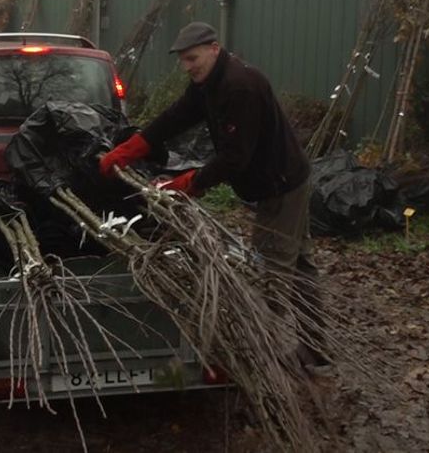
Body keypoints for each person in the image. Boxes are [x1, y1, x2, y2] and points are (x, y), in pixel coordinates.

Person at [100, 21, 328, 367]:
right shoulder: (207, 84)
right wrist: (131, 148)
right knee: (299, 265)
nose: (187, 66)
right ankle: (316, 351)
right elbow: (175, 117)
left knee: (271, 273)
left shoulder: (239, 87)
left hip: (280, 186)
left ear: (214, 49)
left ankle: (255, 356)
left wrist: (191, 184)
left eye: (192, 58)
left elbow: (236, 157)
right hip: (276, 180)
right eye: (183, 60)